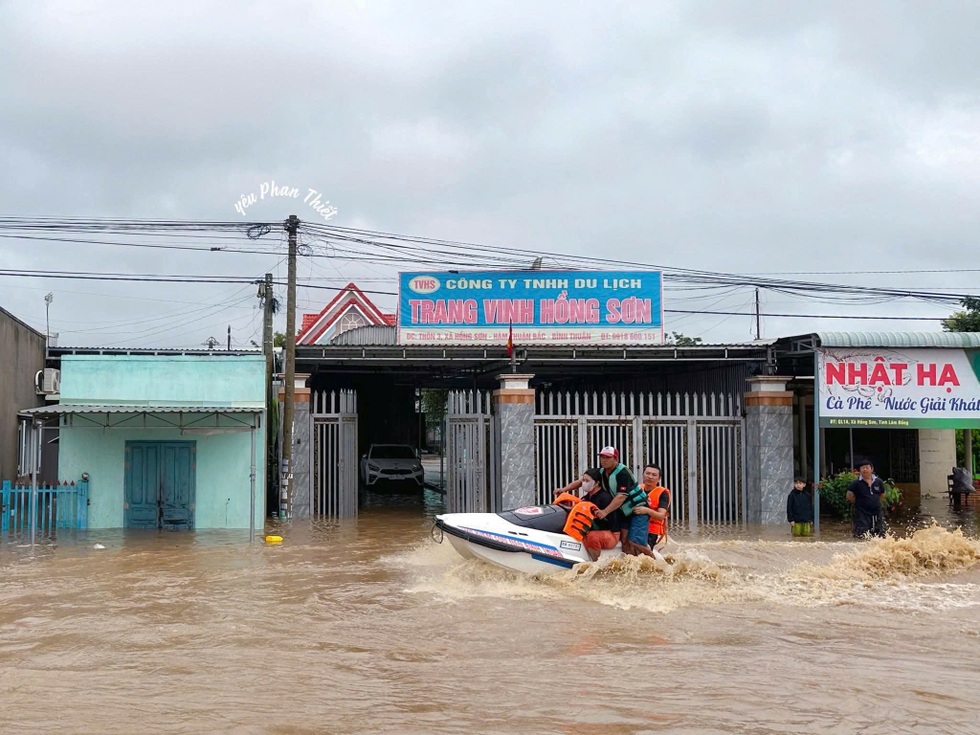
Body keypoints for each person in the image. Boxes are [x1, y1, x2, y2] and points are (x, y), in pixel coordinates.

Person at [591, 446, 651, 556]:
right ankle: (632, 566)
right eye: (602, 457)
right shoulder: (602, 472)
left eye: (607, 457)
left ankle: (656, 564)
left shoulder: (623, 473)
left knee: (634, 541)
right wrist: (564, 490)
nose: (604, 460)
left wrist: (605, 512)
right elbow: (583, 480)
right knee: (624, 541)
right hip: (624, 512)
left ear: (616, 459)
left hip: (638, 510)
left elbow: (621, 497)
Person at [632, 464, 670, 551]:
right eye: (647, 473)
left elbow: (661, 516)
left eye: (654, 475)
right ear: (643, 475)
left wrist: (646, 510)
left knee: (641, 551)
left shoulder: (663, 493)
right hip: (635, 526)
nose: (650, 477)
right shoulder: (637, 489)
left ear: (659, 479)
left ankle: (652, 558)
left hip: (651, 530)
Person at [846, 459, 886, 538]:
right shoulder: (856, 483)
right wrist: (860, 503)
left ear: (872, 469)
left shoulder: (878, 482)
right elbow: (849, 496)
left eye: (867, 468)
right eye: (862, 468)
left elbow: (882, 494)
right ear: (860, 470)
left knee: (880, 533)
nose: (865, 469)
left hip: (876, 511)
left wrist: (874, 502)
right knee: (861, 533)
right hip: (861, 512)